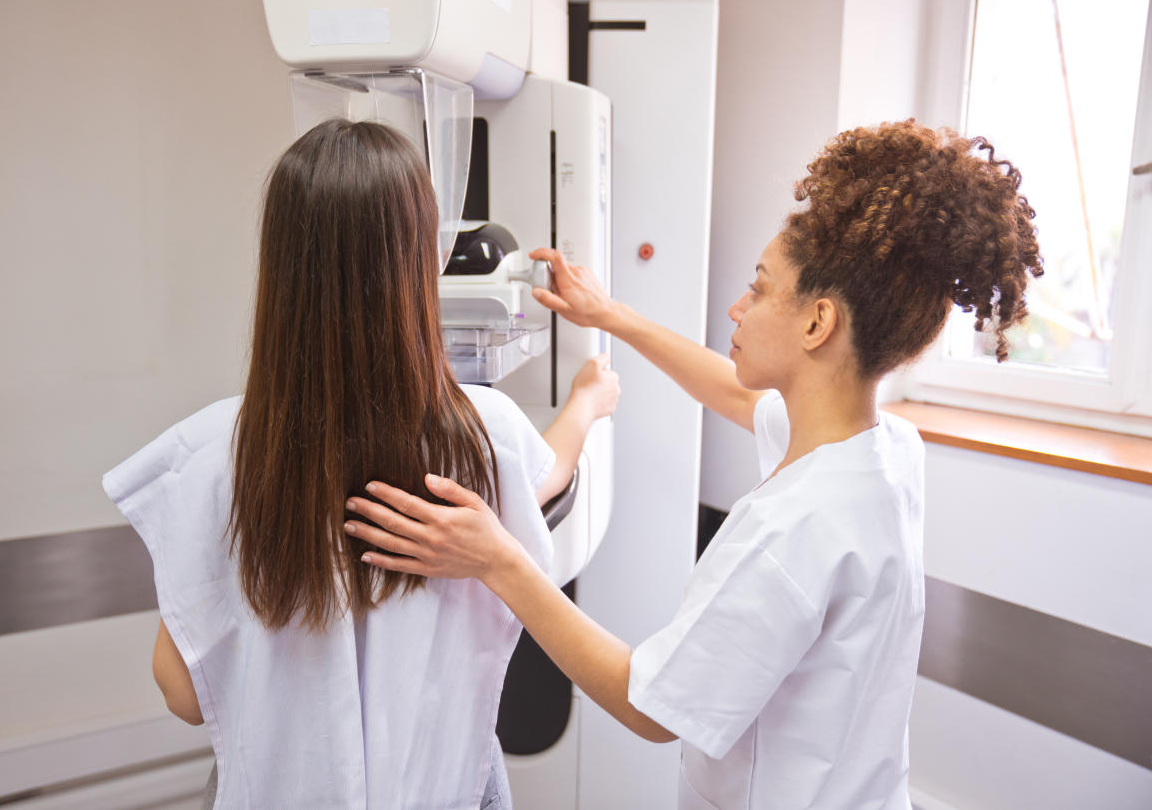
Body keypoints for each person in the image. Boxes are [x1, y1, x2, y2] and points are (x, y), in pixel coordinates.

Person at [343, 120, 1044, 809]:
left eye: (760, 289)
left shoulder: (790, 534)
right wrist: (610, 316)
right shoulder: (883, 450)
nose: (738, 308)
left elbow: (649, 708)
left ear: (816, 323)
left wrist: (500, 561)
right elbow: (733, 391)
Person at [101, 118, 619, 809]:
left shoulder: (213, 454)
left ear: (280, 264)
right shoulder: (481, 433)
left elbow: (183, 693)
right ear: (414, 260)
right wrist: (586, 404)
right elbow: (543, 476)